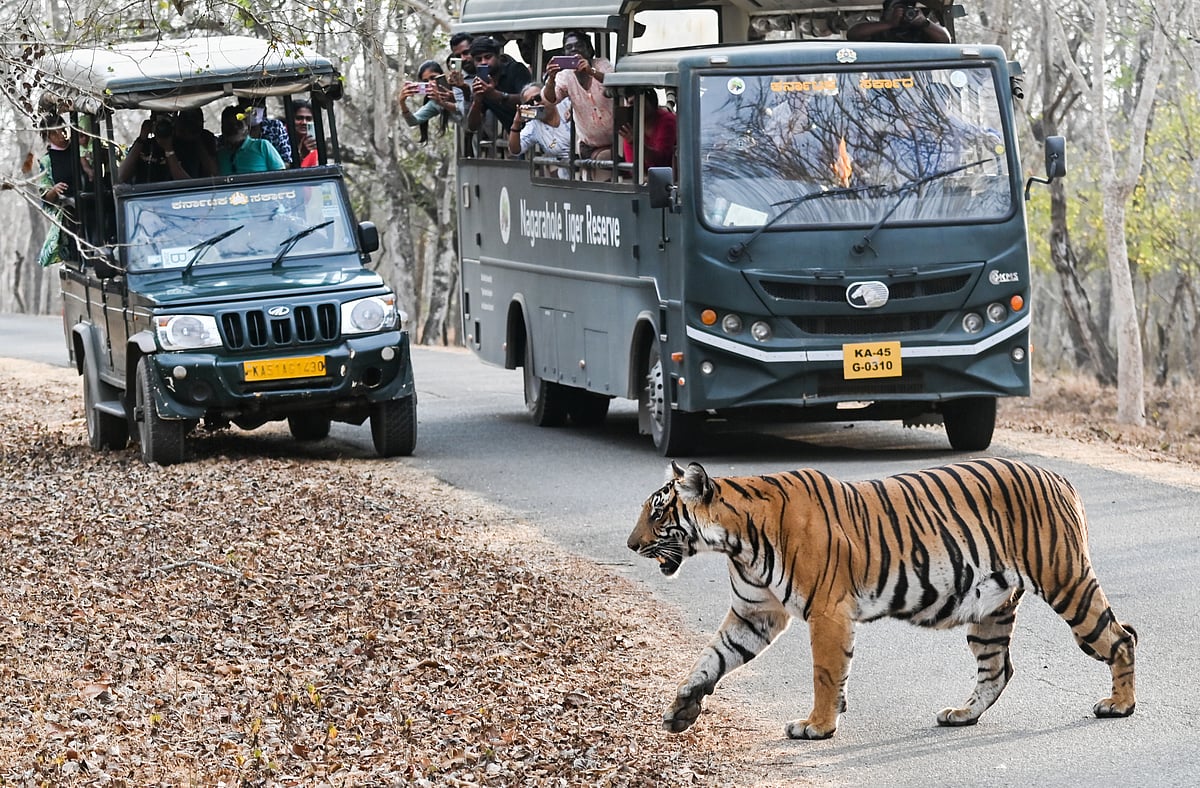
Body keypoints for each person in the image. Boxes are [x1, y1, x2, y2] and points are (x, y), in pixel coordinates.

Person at [542, 31, 615, 171]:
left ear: (589, 49)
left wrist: (590, 71)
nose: (574, 49)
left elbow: (614, 83)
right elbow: (551, 99)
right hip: (589, 145)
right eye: (569, 47)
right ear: (564, 53)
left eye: (579, 45)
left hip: (617, 141)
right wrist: (551, 79)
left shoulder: (601, 64)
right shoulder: (564, 75)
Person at [36, 114, 83, 266]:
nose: (61, 135)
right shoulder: (46, 161)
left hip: (90, 202)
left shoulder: (78, 147)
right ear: (48, 136)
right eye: (54, 133)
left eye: (62, 130)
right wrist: (55, 190)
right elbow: (45, 197)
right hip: (70, 213)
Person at [118, 111, 212, 183]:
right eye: (159, 120)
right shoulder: (143, 145)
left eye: (167, 120)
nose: (162, 125)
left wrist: (169, 149)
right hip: (144, 198)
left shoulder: (186, 147)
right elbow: (121, 177)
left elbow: (187, 183)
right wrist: (142, 138)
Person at [464, 36, 532, 136]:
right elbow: (473, 126)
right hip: (517, 136)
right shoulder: (481, 84)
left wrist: (498, 95)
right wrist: (477, 101)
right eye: (478, 59)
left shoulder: (515, 70)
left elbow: (530, 105)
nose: (484, 62)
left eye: (488, 57)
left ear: (497, 56)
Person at [507, 84, 573, 178]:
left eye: (538, 98)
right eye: (530, 103)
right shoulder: (533, 126)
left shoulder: (565, 103)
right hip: (568, 177)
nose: (536, 103)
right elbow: (515, 149)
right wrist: (516, 123)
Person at [400, 59, 464, 143]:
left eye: (433, 78)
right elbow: (413, 121)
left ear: (442, 76)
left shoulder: (458, 87)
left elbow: (466, 108)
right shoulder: (435, 102)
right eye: (425, 81)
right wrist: (402, 102)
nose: (430, 83)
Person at [216, 105, 286, 175]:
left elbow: (282, 175)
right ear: (222, 128)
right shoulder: (220, 155)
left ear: (247, 126)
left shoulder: (262, 146)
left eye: (239, 124)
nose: (234, 128)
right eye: (229, 125)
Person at [619, 89, 677, 172]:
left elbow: (662, 161)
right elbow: (633, 167)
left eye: (641, 101)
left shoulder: (667, 121)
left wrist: (636, 143)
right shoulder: (631, 126)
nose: (637, 106)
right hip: (645, 176)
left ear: (652, 102)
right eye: (631, 103)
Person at [847, 0, 951, 43]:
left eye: (907, 10)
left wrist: (924, 23)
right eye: (896, 9)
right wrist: (889, 24)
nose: (903, 14)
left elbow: (946, 40)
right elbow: (853, 34)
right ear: (884, 13)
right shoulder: (878, 32)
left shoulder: (920, 31)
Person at [289, 99, 318, 167]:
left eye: (308, 119)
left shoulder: (312, 143)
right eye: (299, 118)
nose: (304, 122)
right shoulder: (281, 139)